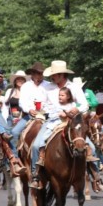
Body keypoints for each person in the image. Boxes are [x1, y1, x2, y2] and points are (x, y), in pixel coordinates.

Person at [29, 60, 89, 189]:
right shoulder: (47, 87)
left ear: (62, 75)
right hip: (52, 121)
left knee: (91, 147)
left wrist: (76, 110)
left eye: (55, 74)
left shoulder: (73, 87)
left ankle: (95, 177)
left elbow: (85, 104)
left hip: (71, 122)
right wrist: (37, 110)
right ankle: (36, 175)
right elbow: (40, 103)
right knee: (36, 145)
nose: (52, 77)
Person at [6, 62, 51, 175]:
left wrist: (44, 110)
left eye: (40, 73)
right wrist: (29, 110)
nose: (38, 75)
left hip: (46, 115)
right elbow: (22, 102)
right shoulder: (26, 86)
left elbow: (51, 101)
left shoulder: (48, 85)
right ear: (32, 73)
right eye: (36, 73)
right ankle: (15, 159)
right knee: (14, 132)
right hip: (29, 115)